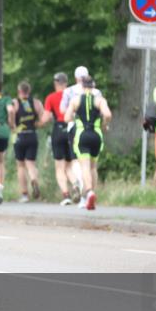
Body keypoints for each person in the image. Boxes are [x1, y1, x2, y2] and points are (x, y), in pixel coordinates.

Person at [64, 76, 112, 210]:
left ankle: (89, 192)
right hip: (96, 135)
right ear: (94, 86)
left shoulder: (76, 100)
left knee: (84, 166)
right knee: (93, 167)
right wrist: (104, 124)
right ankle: (90, 196)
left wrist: (77, 117)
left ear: (82, 86)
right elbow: (107, 115)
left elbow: (67, 117)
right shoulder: (100, 100)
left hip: (82, 135)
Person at [60, 66, 103, 197]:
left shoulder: (68, 91)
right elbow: (103, 112)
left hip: (76, 128)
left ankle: (79, 184)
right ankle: (90, 192)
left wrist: (77, 115)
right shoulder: (97, 93)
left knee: (77, 161)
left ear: (75, 78)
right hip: (95, 129)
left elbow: (63, 111)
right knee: (92, 165)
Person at [42, 73, 78, 205]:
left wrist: (39, 123)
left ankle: (66, 195)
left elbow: (45, 118)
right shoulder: (73, 95)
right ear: (66, 82)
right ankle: (75, 184)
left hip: (58, 129)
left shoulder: (51, 97)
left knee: (59, 166)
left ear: (55, 83)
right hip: (72, 129)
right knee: (69, 165)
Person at [8, 81, 46, 203]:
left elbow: (11, 114)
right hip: (32, 135)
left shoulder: (15, 103)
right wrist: (37, 124)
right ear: (29, 91)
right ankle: (34, 179)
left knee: (20, 165)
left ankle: (24, 194)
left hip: (19, 136)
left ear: (19, 91)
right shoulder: (36, 103)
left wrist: (13, 125)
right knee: (30, 163)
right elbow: (44, 119)